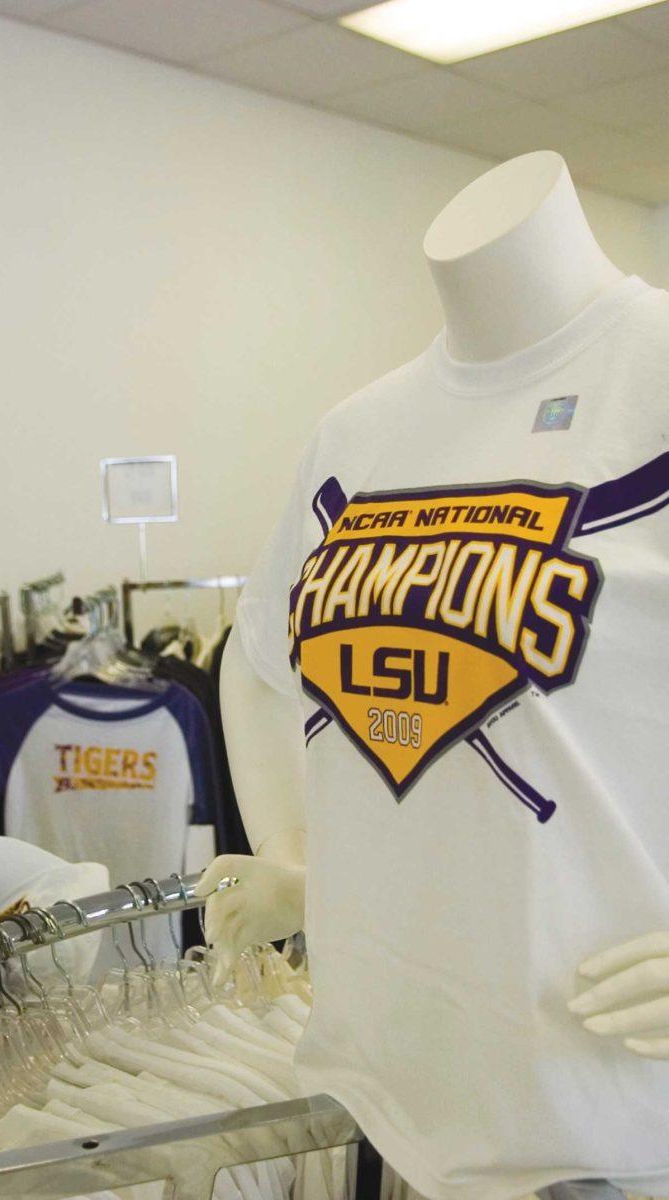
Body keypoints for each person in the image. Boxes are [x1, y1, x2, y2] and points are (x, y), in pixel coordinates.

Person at [202, 151, 669, 1200]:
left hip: (615, 1121)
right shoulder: (355, 434)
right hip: (394, 1087)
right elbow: (262, 657)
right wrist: (293, 848)